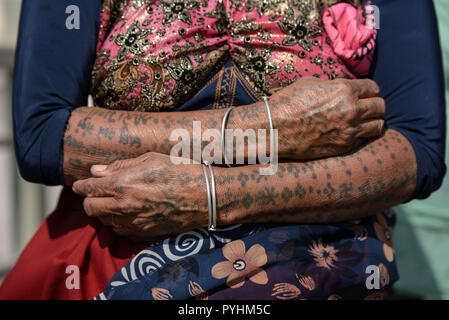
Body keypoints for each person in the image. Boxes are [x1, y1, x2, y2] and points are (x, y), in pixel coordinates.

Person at [0, 0, 445, 300]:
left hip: (318, 264)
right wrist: (267, 129)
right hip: (126, 257)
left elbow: (416, 150)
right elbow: (44, 135)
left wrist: (212, 195)